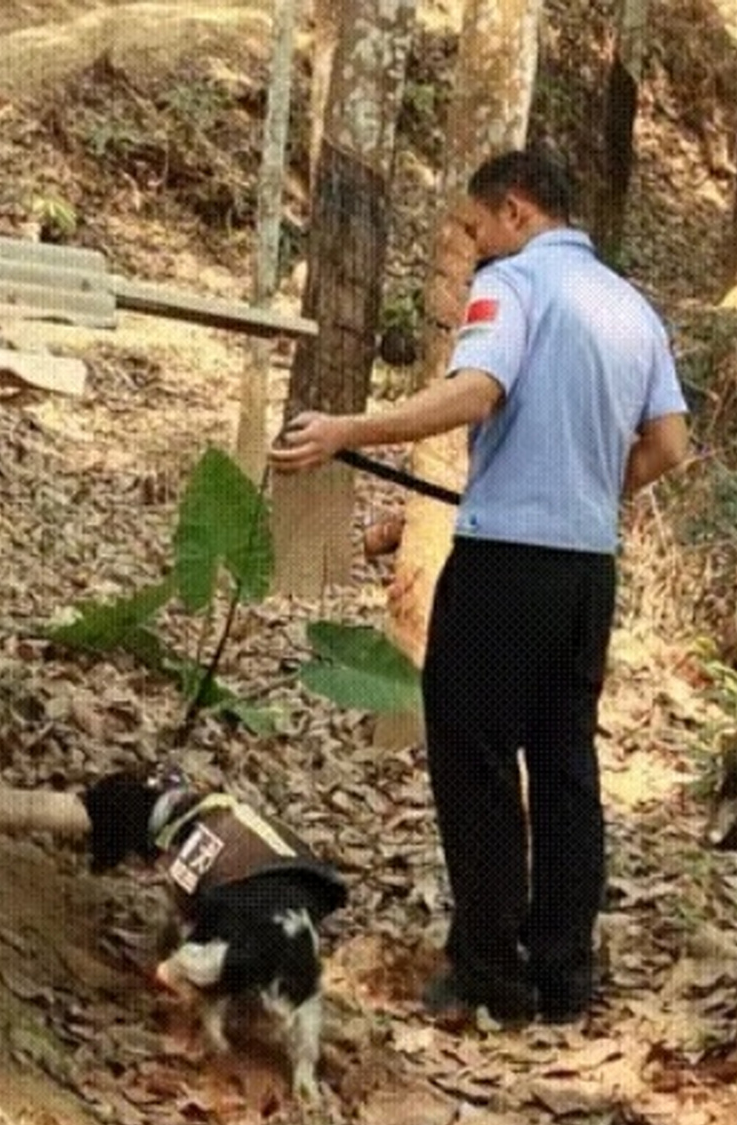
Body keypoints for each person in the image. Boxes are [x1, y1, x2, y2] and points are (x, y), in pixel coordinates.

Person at [269, 147, 690, 1026]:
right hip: (586, 568)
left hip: (504, 562)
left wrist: (351, 427)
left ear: (514, 212)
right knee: (565, 764)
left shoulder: (516, 287)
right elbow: (668, 446)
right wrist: (584, 487)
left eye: (474, 226)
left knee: (477, 758)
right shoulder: (631, 307)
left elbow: (473, 392)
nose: (473, 245)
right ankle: (565, 974)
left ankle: (490, 969)